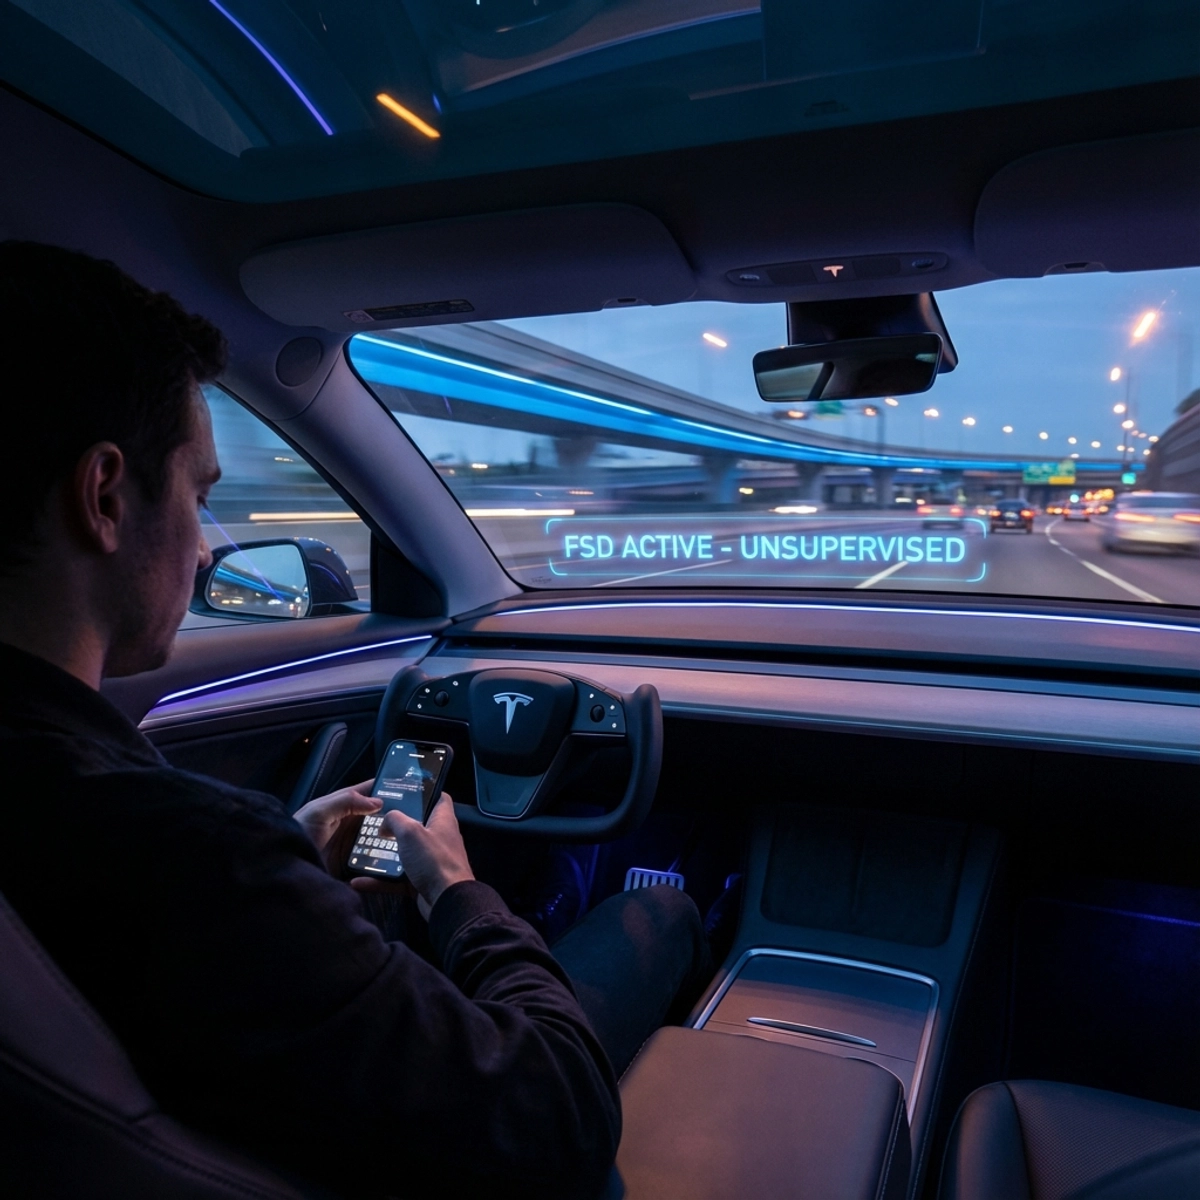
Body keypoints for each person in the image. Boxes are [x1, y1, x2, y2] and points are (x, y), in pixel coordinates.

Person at [0, 242, 708, 1198]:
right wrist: (459, 892)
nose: (210, 547)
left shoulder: (125, 834)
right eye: (202, 495)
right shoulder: (192, 861)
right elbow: (559, 1117)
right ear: (104, 497)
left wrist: (283, 852)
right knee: (656, 911)